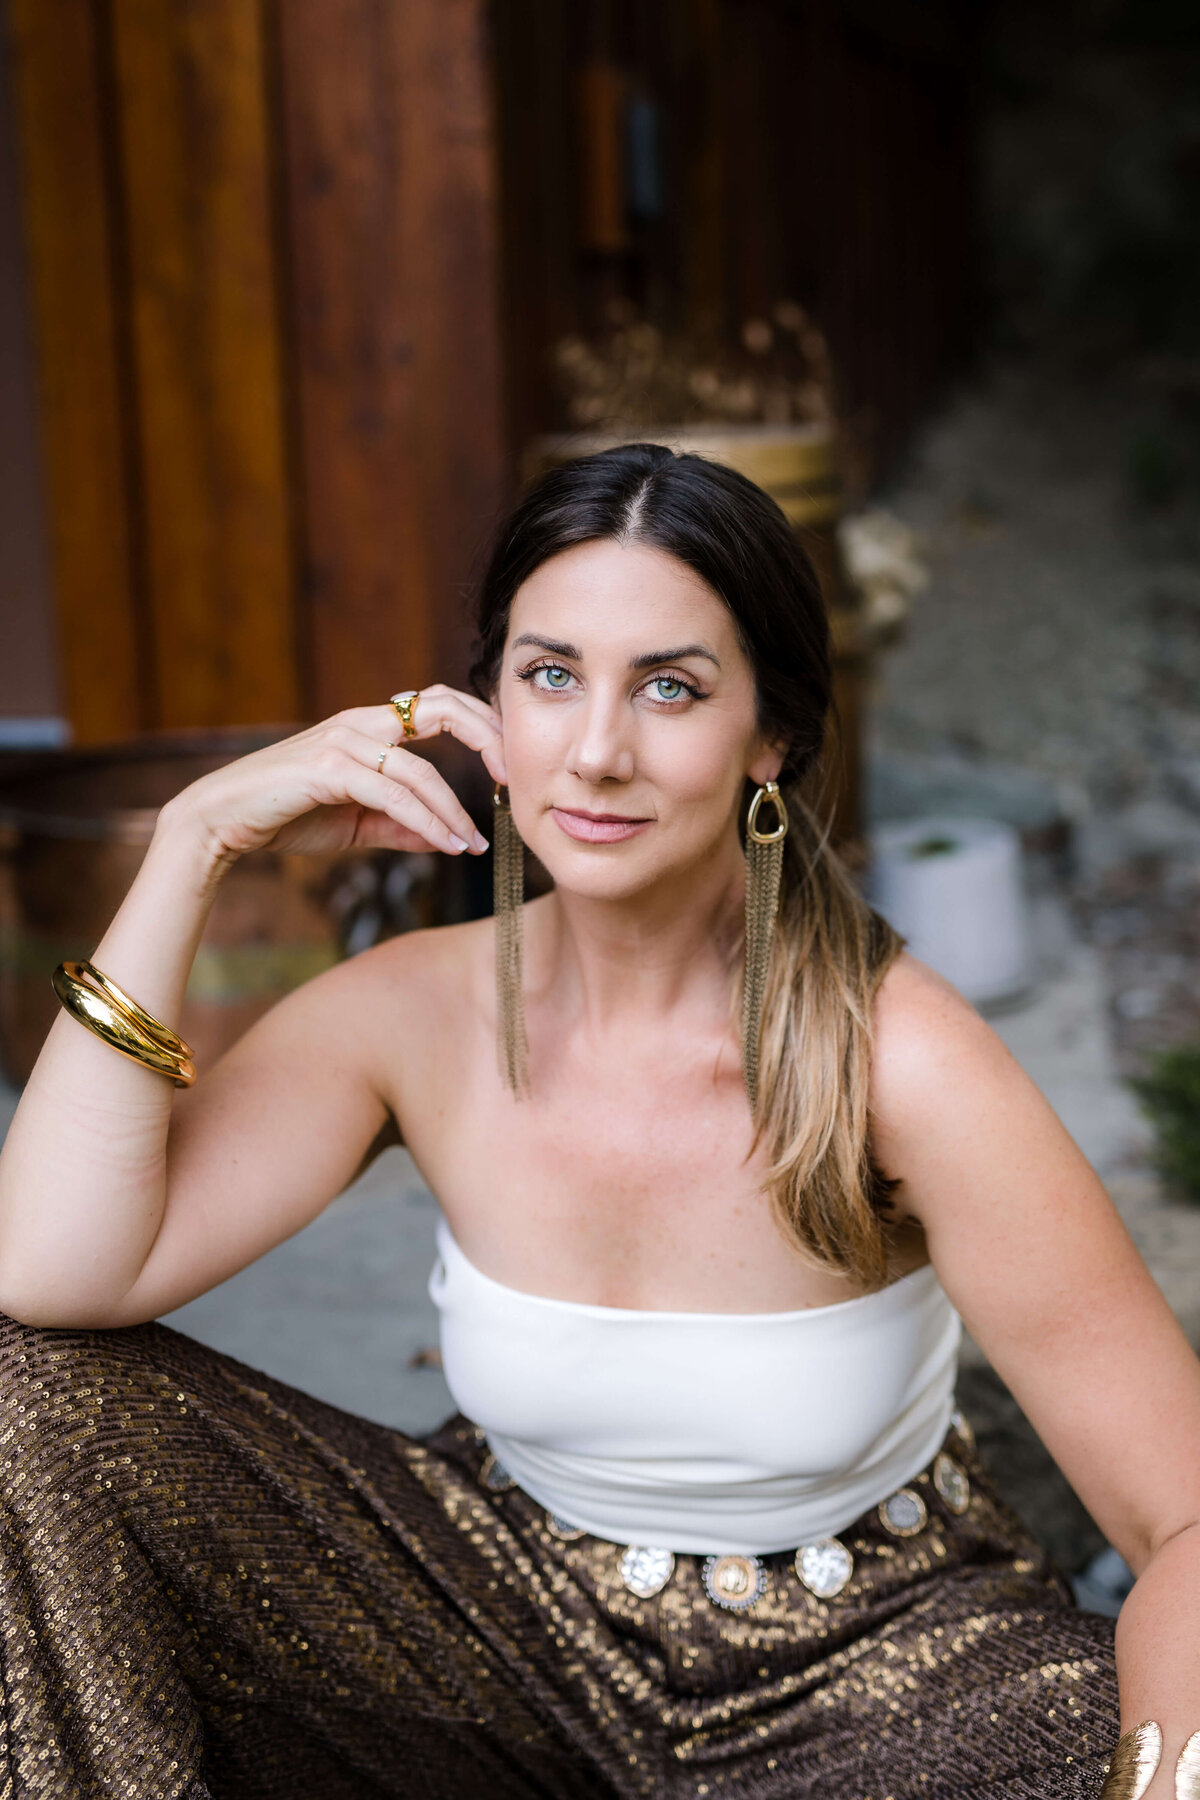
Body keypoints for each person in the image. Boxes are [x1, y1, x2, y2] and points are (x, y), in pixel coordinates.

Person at [0, 444, 1196, 1800]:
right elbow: (47, 1273)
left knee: (1084, 1731)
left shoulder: (899, 1060)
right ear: (486, 709)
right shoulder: (411, 1015)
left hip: (882, 1670)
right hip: (501, 1633)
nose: (598, 751)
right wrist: (195, 841)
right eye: (551, 675)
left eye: (670, 687)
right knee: (19, 1397)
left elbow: (1184, 1514)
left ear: (772, 738)